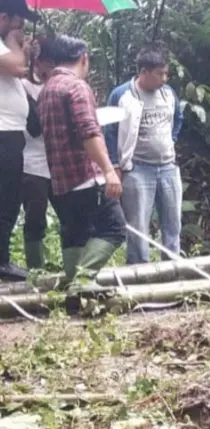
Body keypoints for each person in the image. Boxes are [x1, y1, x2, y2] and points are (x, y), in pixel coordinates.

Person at [37, 35, 126, 282]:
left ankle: (70, 291)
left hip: (60, 181)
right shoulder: (76, 87)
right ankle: (81, 284)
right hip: (85, 176)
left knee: (75, 234)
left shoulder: (47, 90)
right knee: (114, 228)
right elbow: (89, 132)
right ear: (83, 58)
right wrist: (108, 170)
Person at [104, 44, 184, 265]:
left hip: (168, 166)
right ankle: (139, 273)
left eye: (166, 73)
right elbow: (109, 131)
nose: (164, 78)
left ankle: (172, 269)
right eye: (160, 73)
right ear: (144, 72)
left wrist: (171, 141)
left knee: (173, 223)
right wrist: (115, 165)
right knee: (138, 225)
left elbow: (178, 118)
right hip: (138, 168)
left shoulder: (168, 94)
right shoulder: (122, 94)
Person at [0, 0, 39, 281]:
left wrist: (25, 52)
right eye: (18, 23)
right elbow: (15, 67)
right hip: (3, 134)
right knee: (5, 198)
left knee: (9, 198)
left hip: (11, 133)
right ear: (3, 17)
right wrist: (16, 45)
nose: (22, 29)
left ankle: (2, 259)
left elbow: (22, 70)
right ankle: (1, 262)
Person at [20, 47, 55, 269]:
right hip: (32, 164)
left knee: (73, 216)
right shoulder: (22, 87)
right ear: (38, 62)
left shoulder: (58, 87)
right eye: (49, 64)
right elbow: (34, 127)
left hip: (58, 163)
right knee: (35, 219)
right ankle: (36, 270)